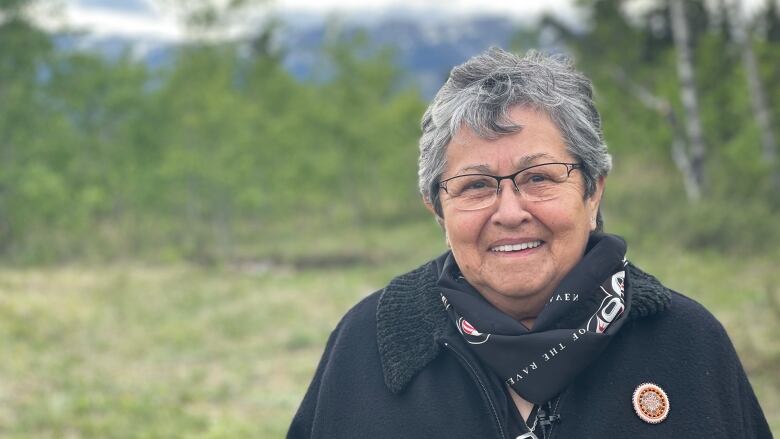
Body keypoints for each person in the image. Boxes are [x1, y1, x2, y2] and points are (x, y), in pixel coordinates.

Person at [287, 48, 772, 438]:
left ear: (593, 188)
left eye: (538, 177)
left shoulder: (685, 342)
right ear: (437, 207)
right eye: (475, 185)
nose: (511, 211)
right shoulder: (366, 344)